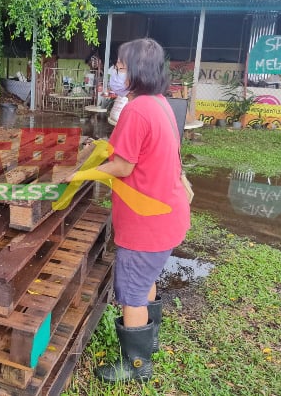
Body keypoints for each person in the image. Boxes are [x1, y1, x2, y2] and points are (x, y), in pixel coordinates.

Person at [67, 38, 190, 382]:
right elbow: (140, 150)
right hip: (168, 216)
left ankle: (136, 365)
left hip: (146, 223)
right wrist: (104, 146)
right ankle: (148, 342)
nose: (115, 72)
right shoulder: (160, 103)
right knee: (146, 280)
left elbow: (122, 166)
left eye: (119, 66)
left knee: (133, 292)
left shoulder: (136, 109)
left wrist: (81, 173)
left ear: (135, 70)